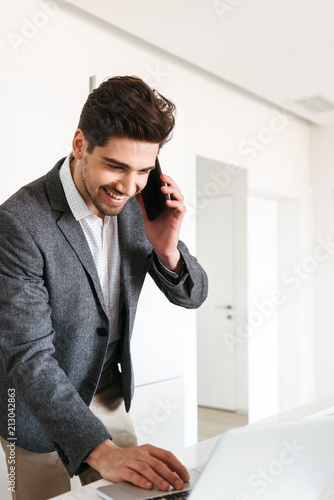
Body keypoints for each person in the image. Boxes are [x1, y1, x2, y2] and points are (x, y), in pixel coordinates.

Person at [0, 75, 208, 500]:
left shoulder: (138, 207)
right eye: (116, 166)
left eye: (144, 171)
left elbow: (194, 295)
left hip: (106, 391)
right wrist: (100, 451)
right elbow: (29, 356)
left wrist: (167, 248)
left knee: (136, 492)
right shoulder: (18, 223)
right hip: (34, 406)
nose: (130, 187)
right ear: (80, 144)